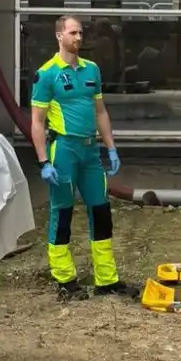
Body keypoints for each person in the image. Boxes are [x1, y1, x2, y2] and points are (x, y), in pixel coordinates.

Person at [31, 15, 136, 301]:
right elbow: (37, 122)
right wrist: (43, 162)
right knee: (62, 211)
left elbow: (100, 111)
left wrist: (111, 147)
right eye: (73, 33)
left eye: (81, 33)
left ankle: (106, 279)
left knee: (101, 211)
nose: (78, 38)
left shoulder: (92, 70)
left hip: (91, 152)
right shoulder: (47, 74)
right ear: (59, 36)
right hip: (64, 150)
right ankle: (65, 278)